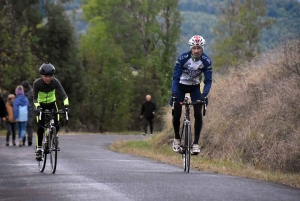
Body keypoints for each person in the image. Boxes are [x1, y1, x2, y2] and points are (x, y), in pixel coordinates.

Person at [170, 35, 212, 155]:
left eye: (199, 48)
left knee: (198, 113)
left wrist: (204, 94)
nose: (196, 50)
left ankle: (196, 144)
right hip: (181, 86)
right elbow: (175, 77)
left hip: (194, 87)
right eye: (194, 48)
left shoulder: (206, 61)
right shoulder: (183, 58)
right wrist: (174, 94)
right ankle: (177, 138)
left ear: (202, 48)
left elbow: (208, 81)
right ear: (191, 48)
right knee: (177, 112)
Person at [33, 62, 69, 161]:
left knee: (57, 125)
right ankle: (39, 149)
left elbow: (64, 95)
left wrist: (66, 106)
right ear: (41, 75)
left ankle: (53, 137)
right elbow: (34, 98)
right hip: (41, 105)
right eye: (46, 76)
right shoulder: (37, 83)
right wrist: (38, 107)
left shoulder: (55, 82)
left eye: (51, 76)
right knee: (40, 127)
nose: (48, 78)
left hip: (52, 104)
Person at [21, 81, 34, 146]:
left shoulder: (32, 92)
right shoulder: (21, 92)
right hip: (22, 111)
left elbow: (35, 100)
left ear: (26, 88)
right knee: (23, 125)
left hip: (30, 111)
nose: (23, 89)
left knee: (29, 125)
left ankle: (30, 139)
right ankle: (23, 139)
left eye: (23, 88)